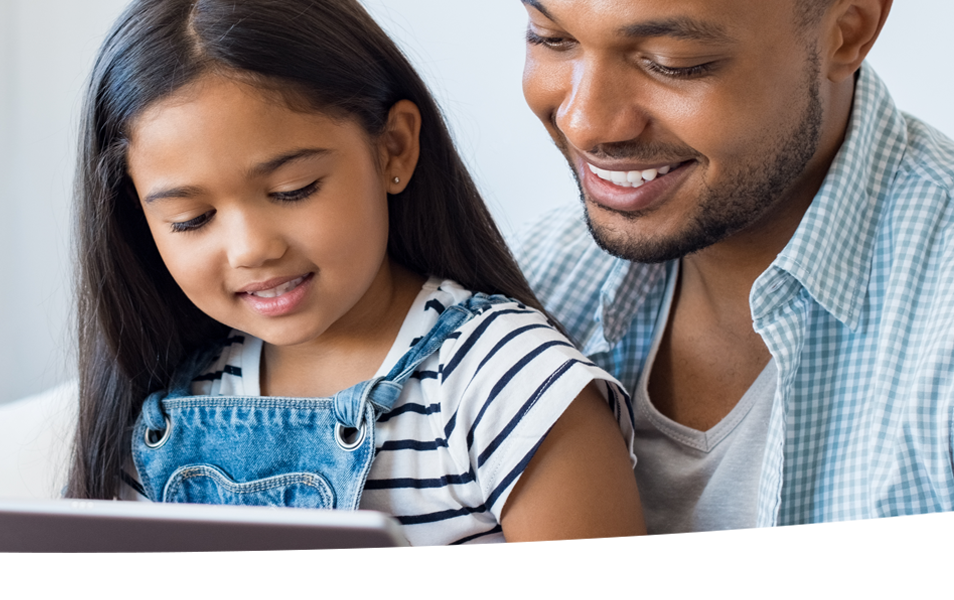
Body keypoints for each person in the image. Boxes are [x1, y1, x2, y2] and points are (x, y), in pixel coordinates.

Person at [512, 0, 954, 535]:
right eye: (551, 38)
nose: (586, 121)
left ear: (847, 30)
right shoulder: (535, 281)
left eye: (672, 62)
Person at [64, 0, 646, 545]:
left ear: (392, 148)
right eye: (192, 219)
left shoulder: (506, 385)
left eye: (294, 190)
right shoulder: (171, 407)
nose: (250, 250)